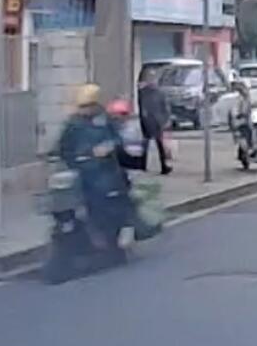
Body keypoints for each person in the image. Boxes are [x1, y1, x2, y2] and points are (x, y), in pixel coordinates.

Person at [53, 83, 134, 242]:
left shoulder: (105, 120)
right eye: (82, 106)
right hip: (81, 169)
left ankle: (121, 225)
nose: (85, 110)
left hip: (104, 168)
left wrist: (109, 146)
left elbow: (117, 139)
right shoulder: (73, 123)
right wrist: (61, 157)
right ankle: (68, 224)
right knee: (63, 193)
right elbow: (63, 145)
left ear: (96, 105)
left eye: (88, 106)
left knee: (113, 190)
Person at [133, 73, 175, 174]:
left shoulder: (154, 93)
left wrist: (166, 119)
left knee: (154, 144)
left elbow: (165, 107)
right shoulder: (146, 92)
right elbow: (144, 106)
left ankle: (153, 165)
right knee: (151, 144)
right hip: (151, 121)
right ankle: (150, 165)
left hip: (155, 121)